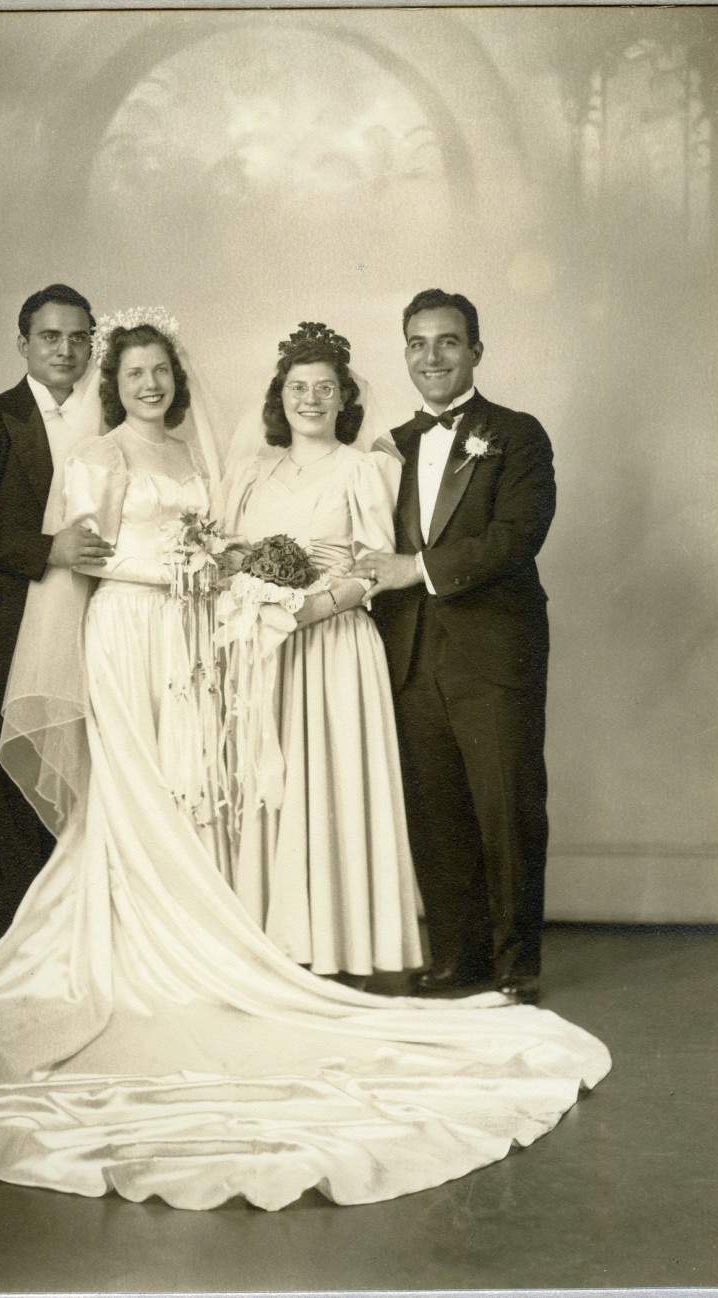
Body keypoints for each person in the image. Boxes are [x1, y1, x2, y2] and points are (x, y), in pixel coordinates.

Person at [0, 310, 607, 1210]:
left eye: (161, 372)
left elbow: (343, 554)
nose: (151, 384)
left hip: (248, 644)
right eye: (135, 372)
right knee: (162, 797)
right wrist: (191, 588)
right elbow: (87, 559)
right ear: (118, 379)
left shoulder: (245, 459)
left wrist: (251, 592)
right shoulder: (106, 457)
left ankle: (491, 962)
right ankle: (177, 947)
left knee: (303, 797)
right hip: (139, 637)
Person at [354, 290, 555, 1004]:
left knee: (506, 804)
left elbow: (517, 534)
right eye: (417, 343)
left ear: (476, 350)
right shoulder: (391, 445)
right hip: (409, 650)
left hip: (494, 651)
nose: (430, 357)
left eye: (446, 342)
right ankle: (457, 957)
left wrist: (420, 570)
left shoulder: (516, 434)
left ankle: (514, 967)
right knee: (434, 807)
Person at [222, 322, 422, 980]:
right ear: (279, 398)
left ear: (344, 400)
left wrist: (307, 610)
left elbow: (373, 572)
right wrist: (251, 593)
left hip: (334, 647)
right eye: (298, 388)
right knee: (274, 792)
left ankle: (348, 944)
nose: (310, 399)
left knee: (334, 789)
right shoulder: (252, 473)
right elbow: (228, 558)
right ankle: (276, 941)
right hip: (267, 656)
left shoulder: (364, 469)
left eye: (325, 389)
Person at [0, 284, 112, 943]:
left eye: (78, 337)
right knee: (5, 786)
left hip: (86, 630)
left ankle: (77, 939)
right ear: (23, 344)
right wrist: (48, 549)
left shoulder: (112, 421)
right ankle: (15, 943)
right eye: (50, 337)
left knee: (82, 778)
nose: (65, 349)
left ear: (94, 342)